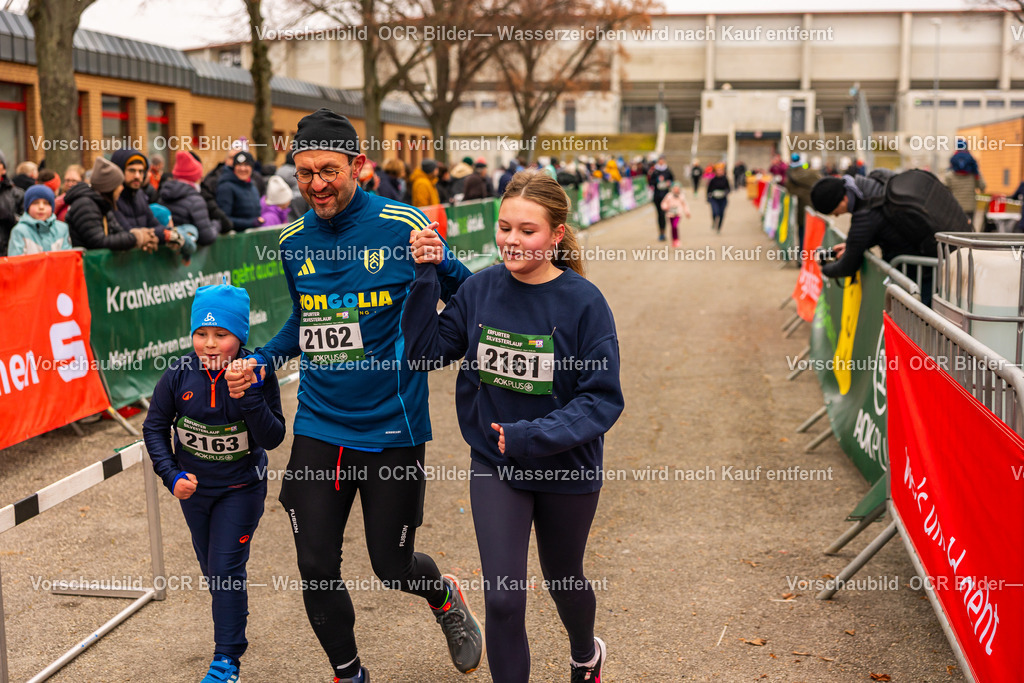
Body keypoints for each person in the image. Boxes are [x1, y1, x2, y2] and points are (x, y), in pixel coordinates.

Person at [223, 108, 481, 683]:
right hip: (320, 423)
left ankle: (442, 596)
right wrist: (260, 362)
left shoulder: (401, 222)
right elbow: (303, 322)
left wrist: (443, 264)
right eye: (305, 172)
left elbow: (468, 293)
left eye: (329, 170)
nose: (316, 184)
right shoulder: (292, 241)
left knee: (391, 566)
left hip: (392, 427)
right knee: (315, 566)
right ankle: (350, 674)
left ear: (358, 166)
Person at [404, 169, 624, 683]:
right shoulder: (480, 290)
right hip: (497, 464)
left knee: (563, 577)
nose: (512, 240)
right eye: (505, 228)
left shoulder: (584, 303)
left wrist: (532, 434)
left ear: (556, 234)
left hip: (566, 466)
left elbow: (602, 400)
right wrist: (424, 276)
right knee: (503, 598)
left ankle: (585, 654)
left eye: (528, 230)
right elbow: (423, 353)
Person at [143, 282, 285, 683]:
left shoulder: (257, 372)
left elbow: (273, 437)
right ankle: (233, 622)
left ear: (239, 336)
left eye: (221, 335)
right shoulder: (177, 375)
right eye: (201, 334)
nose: (209, 344)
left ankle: (226, 661)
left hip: (242, 489)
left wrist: (250, 397)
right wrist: (171, 476)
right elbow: (153, 428)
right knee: (216, 573)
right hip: (195, 493)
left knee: (224, 570)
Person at [810, 172, 937, 302]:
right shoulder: (871, 185)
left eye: (834, 212)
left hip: (920, 274)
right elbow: (885, 225)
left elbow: (847, 267)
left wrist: (824, 269)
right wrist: (852, 245)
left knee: (920, 318)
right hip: (929, 261)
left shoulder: (864, 214)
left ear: (843, 200)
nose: (836, 216)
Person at [65, 157, 158, 252]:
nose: (122, 188)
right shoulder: (85, 205)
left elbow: (118, 232)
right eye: (119, 185)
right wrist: (135, 238)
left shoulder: (103, 205)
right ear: (110, 187)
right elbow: (98, 242)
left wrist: (141, 238)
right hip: (82, 265)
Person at [111, 148, 186, 252]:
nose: (137, 176)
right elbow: (127, 232)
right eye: (132, 170)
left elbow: (154, 223)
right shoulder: (113, 198)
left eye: (141, 171)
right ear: (119, 172)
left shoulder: (140, 195)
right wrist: (163, 235)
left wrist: (167, 233)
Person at [159, 150, 221, 246]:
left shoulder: (163, 195)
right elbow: (207, 237)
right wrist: (216, 225)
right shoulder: (196, 201)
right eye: (200, 177)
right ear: (195, 178)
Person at [7, 185, 71, 256]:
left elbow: (67, 258)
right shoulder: (19, 231)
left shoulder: (62, 229)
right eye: (35, 203)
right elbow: (16, 262)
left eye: (46, 203)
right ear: (28, 207)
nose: (41, 207)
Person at [216, 151, 265, 231]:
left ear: (252, 168)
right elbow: (224, 219)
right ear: (234, 167)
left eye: (246, 165)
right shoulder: (226, 187)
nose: (242, 169)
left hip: (251, 237)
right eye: (239, 165)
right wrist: (251, 223)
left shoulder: (253, 186)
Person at [784, 153, 821, 248]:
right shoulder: (811, 173)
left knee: (802, 231)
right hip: (812, 206)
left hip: (800, 207)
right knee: (813, 231)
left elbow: (789, 189)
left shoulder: (790, 174)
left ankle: (802, 255)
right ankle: (811, 255)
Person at [943, 147, 985, 229]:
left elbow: (944, 190)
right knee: (967, 229)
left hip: (955, 207)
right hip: (970, 207)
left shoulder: (950, 174)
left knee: (955, 229)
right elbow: (982, 186)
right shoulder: (974, 173)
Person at [0, 150, 25, 255]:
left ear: (3, 169)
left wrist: (11, 217)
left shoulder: (17, 194)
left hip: (9, 254)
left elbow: (27, 224)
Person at [648, 155, 674, 241]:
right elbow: (650, 182)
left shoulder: (668, 170)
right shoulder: (654, 171)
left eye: (662, 160)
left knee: (665, 214)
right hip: (657, 196)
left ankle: (667, 231)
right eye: (660, 160)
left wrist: (668, 183)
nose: (661, 162)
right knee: (660, 214)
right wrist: (657, 181)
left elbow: (672, 180)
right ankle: (661, 232)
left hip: (666, 196)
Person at [660, 181, 691, 248]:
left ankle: (676, 239)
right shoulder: (669, 196)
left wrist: (687, 212)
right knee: (672, 227)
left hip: (678, 213)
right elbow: (664, 203)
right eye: (675, 188)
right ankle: (674, 239)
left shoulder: (681, 196)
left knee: (675, 226)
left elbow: (684, 205)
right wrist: (665, 207)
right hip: (670, 213)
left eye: (677, 189)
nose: (676, 190)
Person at [707, 163, 731, 233]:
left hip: (723, 199)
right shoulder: (713, 180)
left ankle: (719, 227)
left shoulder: (725, 179)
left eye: (721, 170)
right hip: (714, 199)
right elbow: (708, 190)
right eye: (718, 170)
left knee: (721, 213)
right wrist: (708, 197)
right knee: (715, 212)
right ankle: (714, 222)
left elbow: (729, 188)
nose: (719, 172)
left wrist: (726, 192)